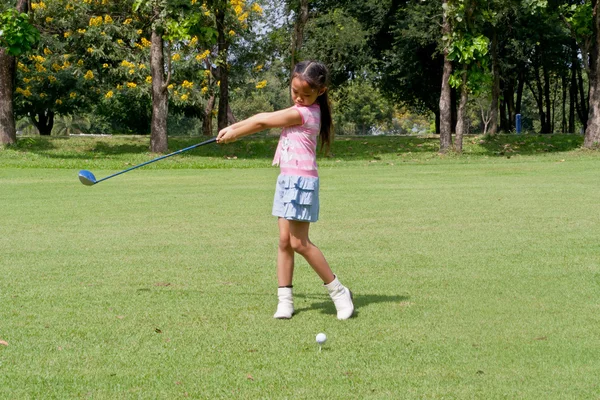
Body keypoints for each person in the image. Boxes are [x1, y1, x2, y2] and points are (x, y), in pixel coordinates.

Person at [216, 60, 354, 320]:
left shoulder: (306, 113)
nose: (300, 98)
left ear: (321, 92)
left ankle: (339, 291)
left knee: (299, 243)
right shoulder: (298, 108)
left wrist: (236, 134)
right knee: (283, 241)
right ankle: (285, 301)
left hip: (301, 183)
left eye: (306, 94)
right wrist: (232, 128)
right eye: (295, 92)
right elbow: (261, 118)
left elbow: (263, 124)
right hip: (287, 180)